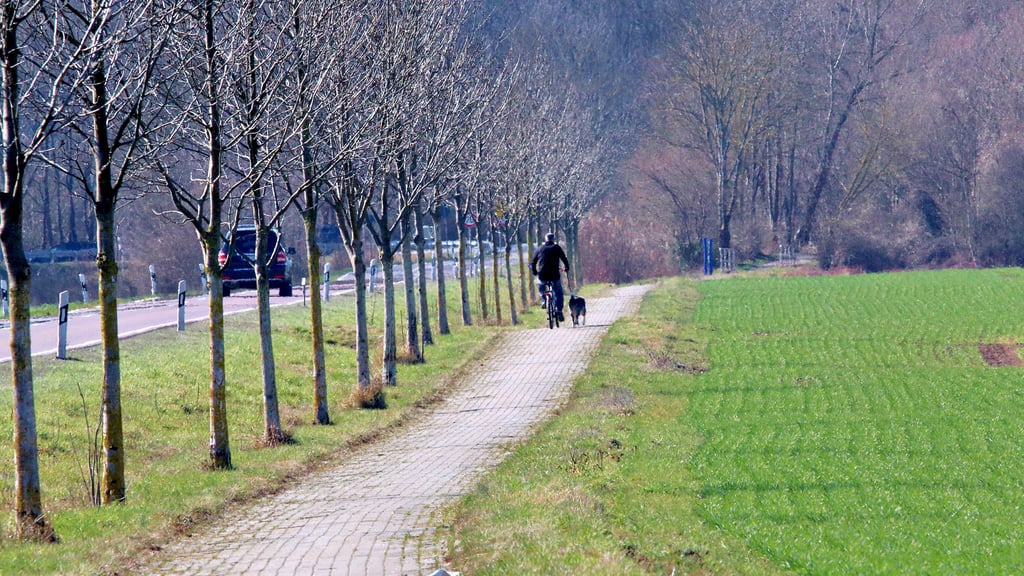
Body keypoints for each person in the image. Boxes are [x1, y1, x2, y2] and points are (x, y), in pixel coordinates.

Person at [530, 232, 570, 321]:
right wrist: (567, 267)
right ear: (553, 240)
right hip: (554, 274)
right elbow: (564, 258)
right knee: (559, 292)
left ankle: (544, 300)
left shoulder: (540, 248)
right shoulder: (556, 248)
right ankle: (559, 310)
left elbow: (533, 263)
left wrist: (535, 272)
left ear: (545, 240)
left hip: (542, 275)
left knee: (540, 286)